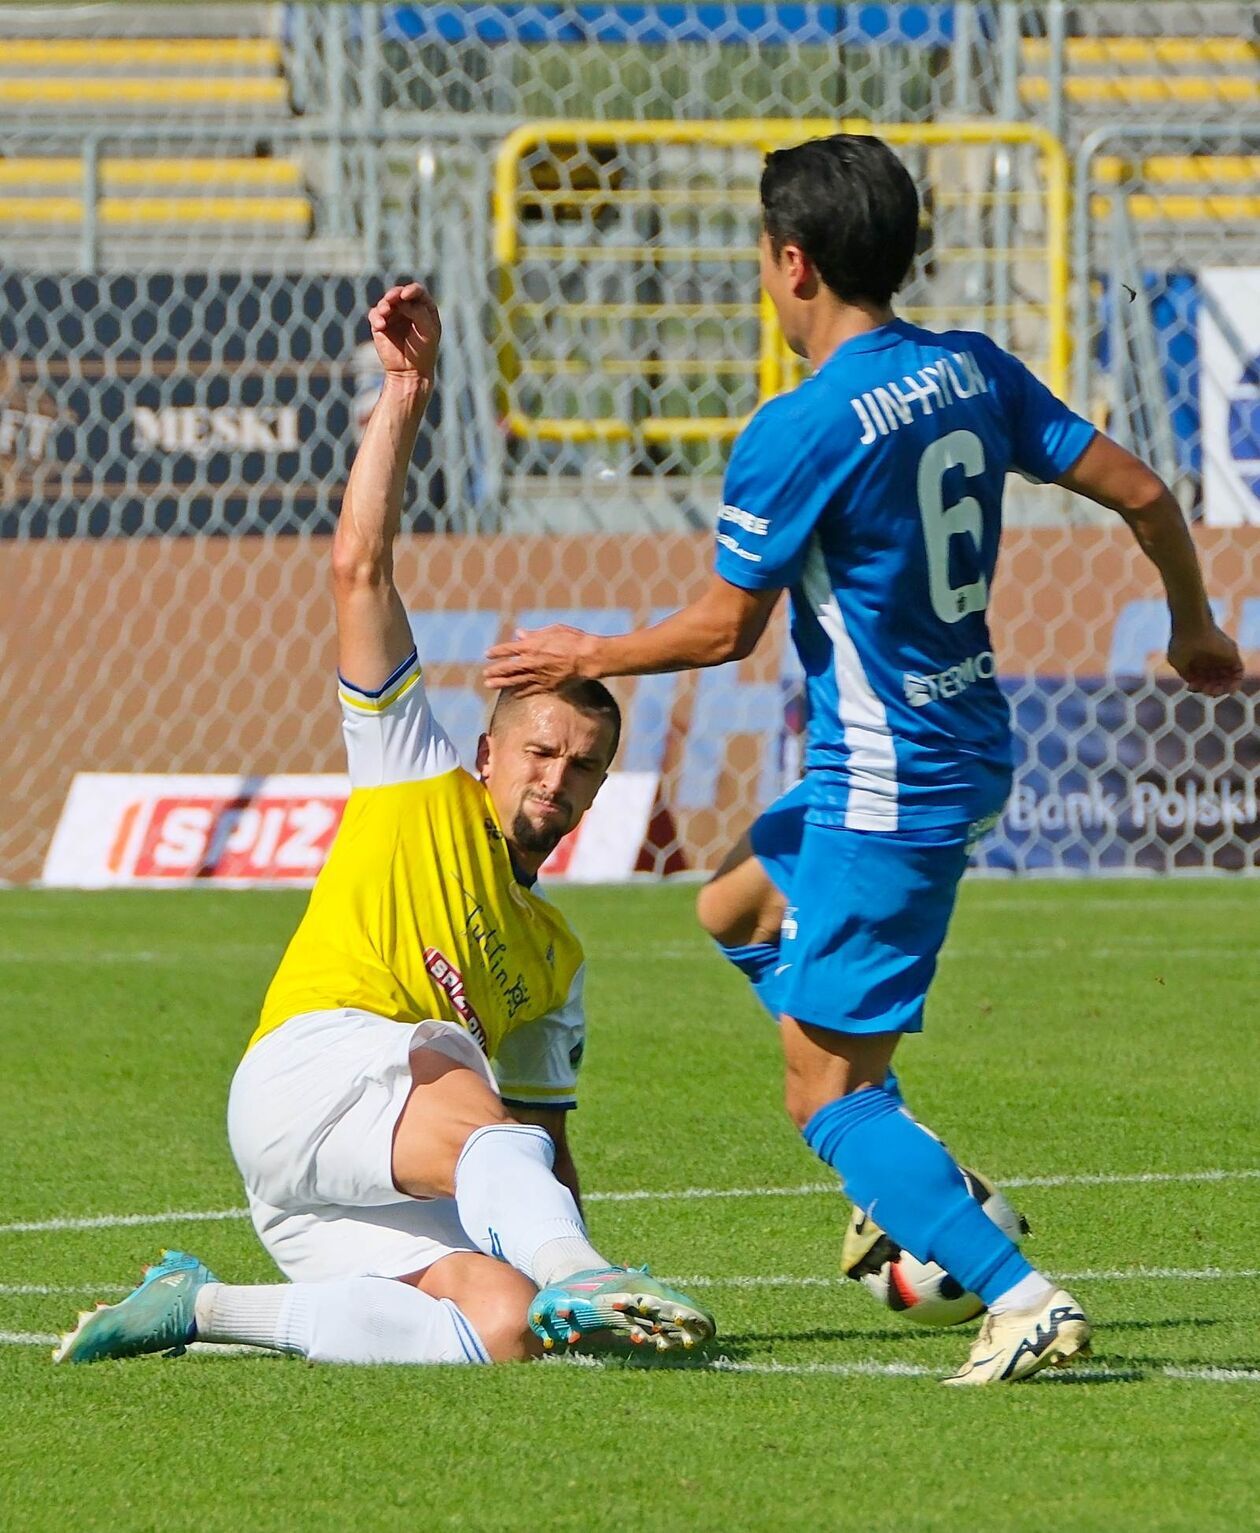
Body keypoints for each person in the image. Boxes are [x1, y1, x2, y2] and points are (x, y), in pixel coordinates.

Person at [483, 135, 1245, 1385]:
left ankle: (1016, 1291)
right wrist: (1194, 626)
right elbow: (1152, 495)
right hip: (954, 743)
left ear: (793, 263)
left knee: (821, 1100)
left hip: (892, 781)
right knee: (730, 904)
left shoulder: (799, 427)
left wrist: (591, 645)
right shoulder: (970, 370)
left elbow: (731, 628)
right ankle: (910, 1169)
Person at [55, 282, 715, 1369]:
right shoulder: (412, 779)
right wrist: (404, 392)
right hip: (309, 1073)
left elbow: (540, 1149)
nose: (557, 776)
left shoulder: (556, 964)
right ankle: (585, 1280)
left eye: (583, 765)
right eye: (540, 751)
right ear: (487, 754)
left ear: (600, 792)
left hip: (331, 1194)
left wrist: (575, 1289)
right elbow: (360, 569)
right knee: (462, 1076)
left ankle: (201, 1309)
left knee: (503, 1329)